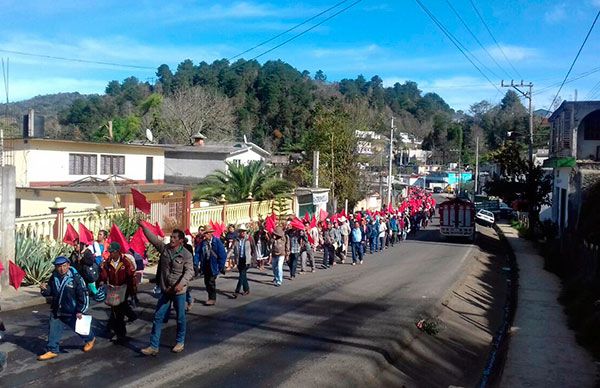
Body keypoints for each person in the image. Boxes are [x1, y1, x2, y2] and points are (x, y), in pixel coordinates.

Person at [139, 225, 194, 356]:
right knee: (158, 317)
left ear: (181, 240)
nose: (172, 239)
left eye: (175, 238)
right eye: (171, 237)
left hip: (178, 292)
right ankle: (153, 346)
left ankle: (180, 342)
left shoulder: (186, 254)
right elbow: (153, 239)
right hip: (166, 290)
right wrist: (143, 226)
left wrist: (181, 284)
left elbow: (189, 271)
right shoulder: (165, 249)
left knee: (180, 318)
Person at [38, 256, 95, 361]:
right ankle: (52, 350)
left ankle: (90, 338)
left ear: (68, 265)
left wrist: (80, 310)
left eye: (64, 266)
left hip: (72, 310)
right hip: (57, 309)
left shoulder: (76, 278)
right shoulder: (54, 277)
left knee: (78, 328)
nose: (62, 269)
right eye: (59, 266)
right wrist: (44, 290)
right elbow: (50, 292)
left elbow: (83, 295)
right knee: (53, 329)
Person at [99, 242, 136, 343]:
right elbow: (104, 274)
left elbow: (131, 276)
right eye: (110, 252)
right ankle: (117, 329)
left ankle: (120, 334)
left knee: (119, 312)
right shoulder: (108, 262)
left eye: (112, 252)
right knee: (115, 311)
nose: (111, 254)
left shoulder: (125, 262)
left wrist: (132, 291)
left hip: (124, 289)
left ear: (117, 252)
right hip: (113, 289)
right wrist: (102, 279)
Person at [198, 227, 227, 306]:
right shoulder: (203, 243)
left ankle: (212, 298)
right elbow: (198, 253)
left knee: (211, 282)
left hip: (214, 265)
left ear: (211, 234)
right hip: (205, 265)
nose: (206, 235)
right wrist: (196, 263)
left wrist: (221, 266)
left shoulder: (217, 242)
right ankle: (210, 296)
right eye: (205, 233)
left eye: (207, 233)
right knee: (206, 282)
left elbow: (222, 255)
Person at [234, 224, 256, 296]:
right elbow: (232, 249)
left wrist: (253, 259)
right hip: (239, 259)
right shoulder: (236, 239)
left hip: (246, 260)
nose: (242, 233)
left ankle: (237, 291)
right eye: (241, 231)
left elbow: (253, 249)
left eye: (243, 231)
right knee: (243, 275)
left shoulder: (249, 238)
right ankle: (246, 289)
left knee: (242, 275)